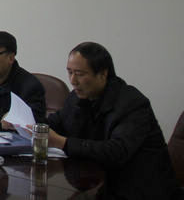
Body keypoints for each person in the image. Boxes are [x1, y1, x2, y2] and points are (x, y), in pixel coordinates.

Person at [46, 42, 180, 200]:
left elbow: (116, 151)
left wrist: (62, 142)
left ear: (103, 74)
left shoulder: (132, 103)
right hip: (97, 184)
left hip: (140, 190)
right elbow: (57, 122)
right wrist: (31, 126)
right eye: (69, 72)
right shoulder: (76, 97)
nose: (73, 80)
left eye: (80, 74)